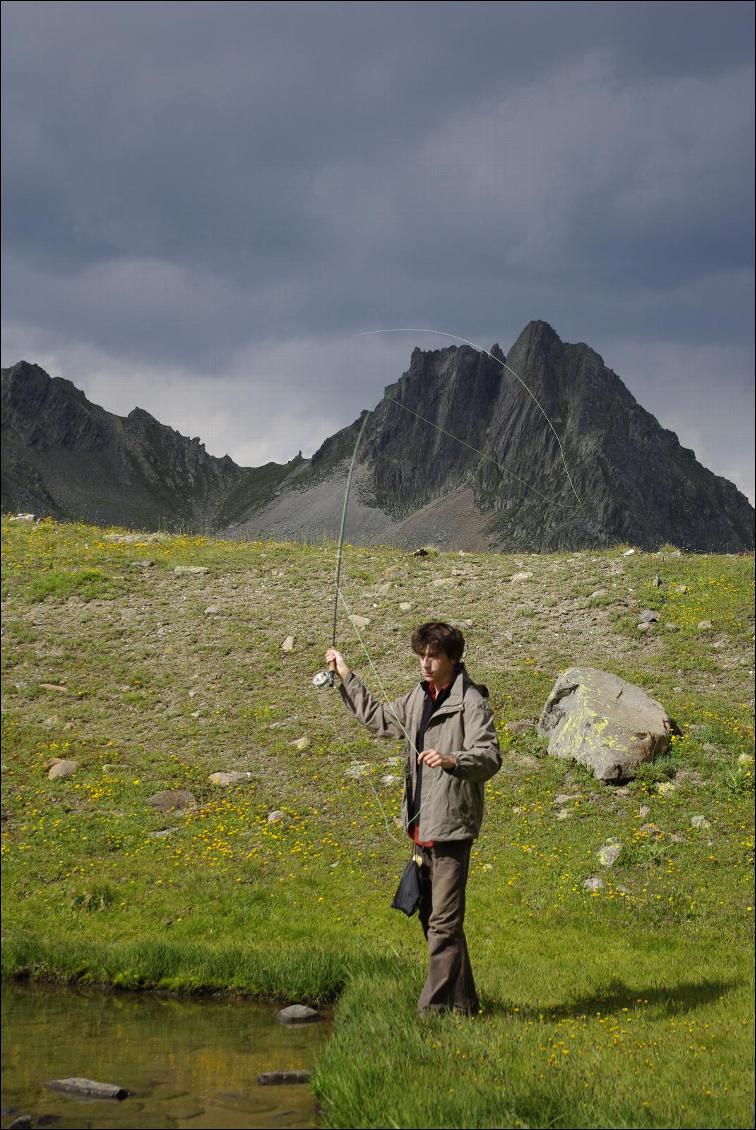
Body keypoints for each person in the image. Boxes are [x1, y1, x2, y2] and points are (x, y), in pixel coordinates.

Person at [325, 621, 501, 1016]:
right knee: (434, 919)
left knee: (443, 924)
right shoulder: (418, 699)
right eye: (421, 655)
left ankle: (431, 1012)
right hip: (422, 829)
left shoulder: (471, 702)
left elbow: (490, 757)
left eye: (433, 656)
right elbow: (378, 719)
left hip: (452, 829)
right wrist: (346, 675)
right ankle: (465, 1006)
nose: (425, 663)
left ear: (453, 660)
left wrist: (454, 760)